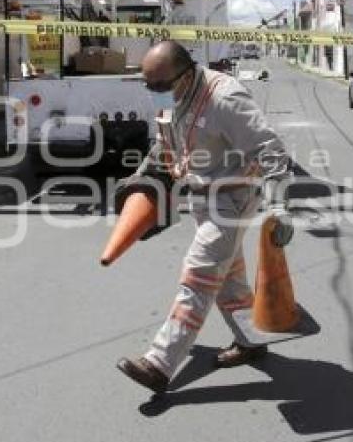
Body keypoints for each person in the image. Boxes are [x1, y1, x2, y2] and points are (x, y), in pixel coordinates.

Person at [116, 41, 294, 394]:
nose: (154, 94)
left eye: (160, 87)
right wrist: (141, 180)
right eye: (148, 86)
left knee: (198, 274)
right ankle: (249, 340)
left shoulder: (225, 99)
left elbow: (270, 149)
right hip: (201, 197)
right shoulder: (168, 96)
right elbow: (164, 145)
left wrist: (280, 206)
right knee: (228, 279)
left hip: (233, 200)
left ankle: (159, 363)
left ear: (186, 74)